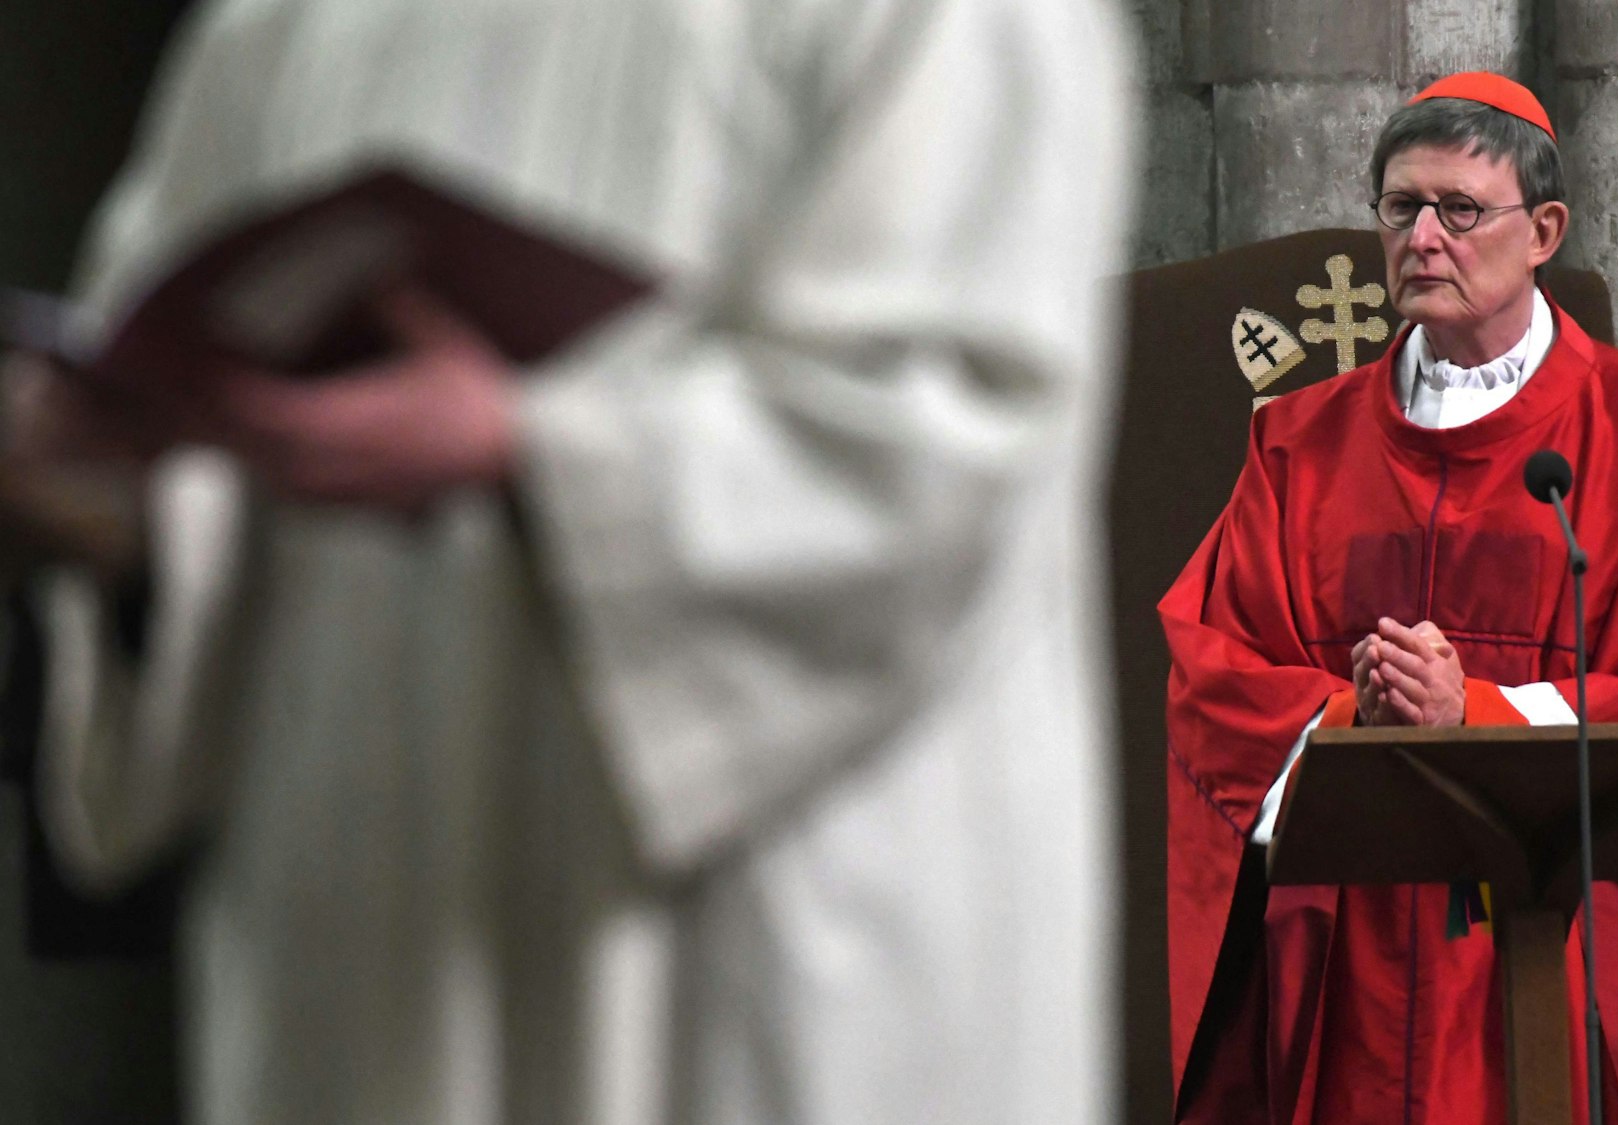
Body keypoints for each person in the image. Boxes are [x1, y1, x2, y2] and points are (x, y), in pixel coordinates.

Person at [13, 1, 1134, 1122]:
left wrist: (542, 452)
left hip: (760, 936)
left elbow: (950, 425)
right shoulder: (273, 28)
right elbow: (171, 406)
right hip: (360, 926)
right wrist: (112, 513)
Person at [1160, 72, 1618, 1124]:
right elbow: (1214, 677)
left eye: (1459, 210)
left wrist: (1472, 713)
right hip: (1359, 963)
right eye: (1398, 207)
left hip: (1586, 939)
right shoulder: (1296, 446)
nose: (1421, 237)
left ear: (1542, 231)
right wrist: (1353, 720)